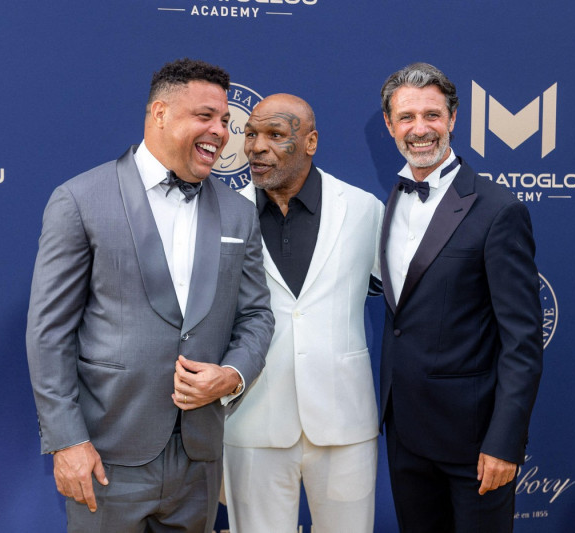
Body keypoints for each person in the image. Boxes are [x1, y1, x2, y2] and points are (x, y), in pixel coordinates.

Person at [25, 58, 274, 533]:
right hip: (106, 455)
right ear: (160, 113)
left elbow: (257, 315)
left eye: (225, 120)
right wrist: (66, 441)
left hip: (199, 458)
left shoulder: (238, 212)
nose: (220, 132)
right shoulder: (80, 200)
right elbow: (49, 334)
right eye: (205, 116)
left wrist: (232, 374)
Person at [378, 62, 543, 532]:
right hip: (405, 434)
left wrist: (505, 442)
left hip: (474, 442)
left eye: (432, 115)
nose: (420, 129)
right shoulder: (393, 198)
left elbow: (522, 341)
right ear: (390, 125)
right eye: (406, 117)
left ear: (452, 118)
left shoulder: (499, 210)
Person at [224, 93, 383, 533]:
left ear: (310, 142)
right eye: (250, 134)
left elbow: (405, 299)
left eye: (275, 134)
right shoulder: (222, 211)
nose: (256, 146)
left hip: (345, 421)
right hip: (251, 421)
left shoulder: (363, 209)